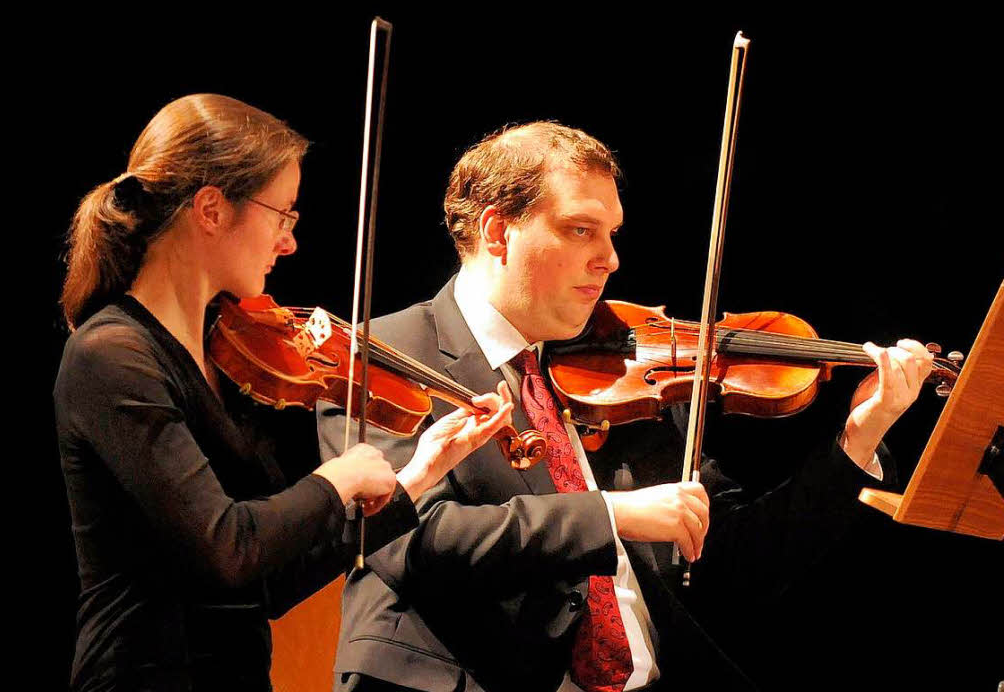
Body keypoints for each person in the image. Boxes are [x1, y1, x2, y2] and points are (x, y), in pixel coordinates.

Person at [316, 121, 934, 691]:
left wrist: (859, 438)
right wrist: (608, 514)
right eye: (580, 229)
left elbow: (735, 561)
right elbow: (404, 539)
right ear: (497, 231)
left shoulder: (613, 369)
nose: (610, 258)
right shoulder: (385, 351)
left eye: (611, 233)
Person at [54, 94, 514, 692]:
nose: (289, 242)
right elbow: (230, 548)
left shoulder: (225, 352)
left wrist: (414, 480)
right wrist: (338, 480)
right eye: (283, 215)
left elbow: (268, 582)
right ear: (212, 209)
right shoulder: (112, 355)